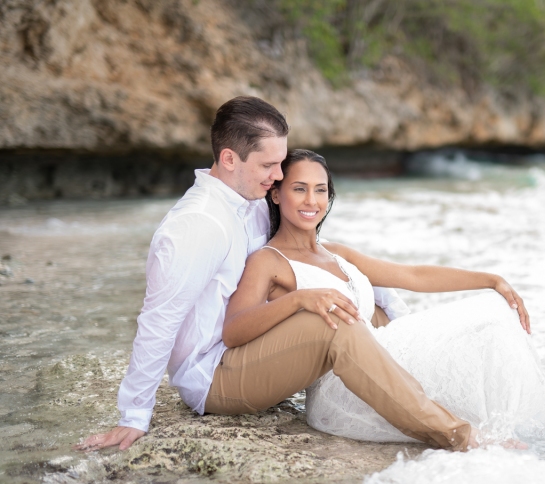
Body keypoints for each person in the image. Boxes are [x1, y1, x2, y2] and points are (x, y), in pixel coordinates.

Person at [77, 96, 478, 453]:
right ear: (230, 158)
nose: (278, 176)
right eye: (269, 165)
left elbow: (303, 252)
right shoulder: (196, 225)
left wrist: (374, 297)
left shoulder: (250, 200)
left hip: (254, 345)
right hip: (213, 374)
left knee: (362, 307)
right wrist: (134, 415)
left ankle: (451, 406)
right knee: (335, 324)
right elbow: (158, 321)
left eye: (280, 163)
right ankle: (457, 436)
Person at [223, 149, 545, 447]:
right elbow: (235, 330)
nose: (311, 200)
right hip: (346, 388)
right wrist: (298, 300)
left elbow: (412, 276)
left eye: (320, 190)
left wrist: (491, 280)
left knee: (490, 318)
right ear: (276, 194)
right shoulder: (268, 261)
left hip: (387, 365)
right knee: (472, 384)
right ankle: (466, 438)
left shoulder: (336, 253)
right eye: (299, 188)